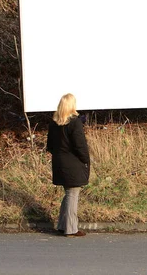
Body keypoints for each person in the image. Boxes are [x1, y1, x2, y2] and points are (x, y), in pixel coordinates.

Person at [46, 93, 90, 237]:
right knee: (73, 194)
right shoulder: (75, 122)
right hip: (73, 163)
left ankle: (61, 225)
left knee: (68, 193)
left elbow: (50, 146)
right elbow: (80, 145)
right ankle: (71, 228)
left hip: (59, 162)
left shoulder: (53, 123)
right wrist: (85, 160)